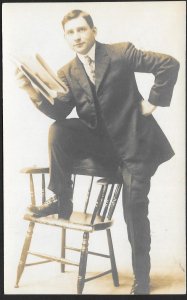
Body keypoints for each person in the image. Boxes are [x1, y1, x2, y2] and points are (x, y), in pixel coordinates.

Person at [16, 9, 180, 294]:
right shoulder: (68, 72)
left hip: (135, 147)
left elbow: (169, 64)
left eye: (81, 30)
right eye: (70, 32)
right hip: (103, 149)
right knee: (59, 129)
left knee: (134, 211)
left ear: (94, 31)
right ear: (66, 38)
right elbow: (60, 110)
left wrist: (153, 102)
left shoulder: (120, 53)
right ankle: (61, 199)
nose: (77, 37)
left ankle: (142, 278)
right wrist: (30, 90)